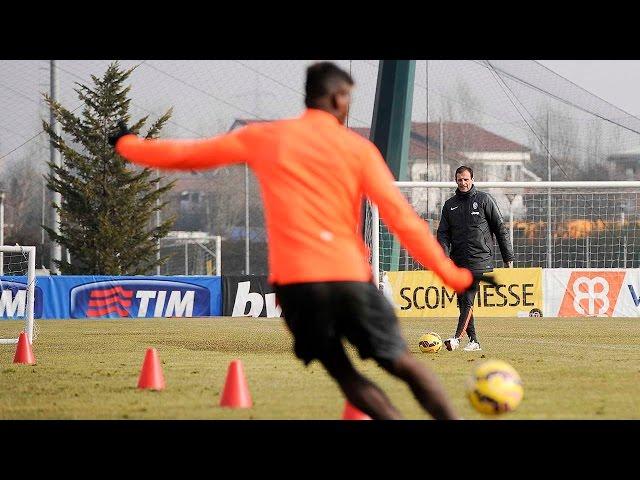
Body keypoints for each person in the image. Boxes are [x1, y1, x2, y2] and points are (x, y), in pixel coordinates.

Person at [109, 62, 477, 420]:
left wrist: (128, 145)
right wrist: (454, 275)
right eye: (348, 97)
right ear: (336, 99)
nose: (348, 106)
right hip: (347, 277)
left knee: (344, 372)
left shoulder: (265, 137)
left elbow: (189, 155)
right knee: (400, 362)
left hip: (298, 287)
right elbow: (404, 222)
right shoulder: (358, 149)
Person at [437, 166, 514, 352]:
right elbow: (443, 234)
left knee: (468, 298)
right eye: (459, 180)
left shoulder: (484, 200)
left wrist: (507, 256)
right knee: (462, 300)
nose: (463, 183)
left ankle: (456, 339)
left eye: (466, 179)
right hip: (458, 261)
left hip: (480, 259)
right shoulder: (450, 205)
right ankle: (474, 341)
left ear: (472, 179)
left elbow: (500, 228)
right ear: (455, 180)